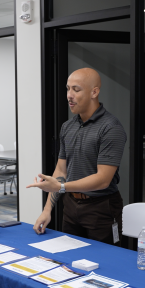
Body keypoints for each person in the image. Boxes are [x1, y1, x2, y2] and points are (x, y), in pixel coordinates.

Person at [27, 68, 127, 246]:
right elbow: (61, 170)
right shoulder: (67, 126)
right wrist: (47, 209)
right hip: (71, 206)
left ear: (94, 92)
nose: (69, 95)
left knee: (104, 261)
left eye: (76, 89)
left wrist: (61, 186)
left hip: (101, 207)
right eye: (67, 89)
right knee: (70, 257)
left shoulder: (111, 128)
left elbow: (103, 179)